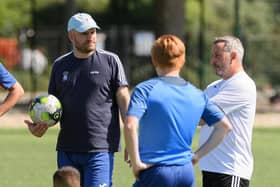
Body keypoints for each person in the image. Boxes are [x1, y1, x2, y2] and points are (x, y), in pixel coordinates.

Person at [24, 12, 130, 187]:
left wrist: (130, 135)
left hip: (100, 149)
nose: (90, 37)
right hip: (67, 149)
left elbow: (123, 98)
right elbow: (52, 107)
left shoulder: (111, 61)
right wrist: (40, 127)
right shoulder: (59, 65)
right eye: (84, 33)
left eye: (93, 32)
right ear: (71, 35)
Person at [124, 34, 232, 187]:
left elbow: (130, 126)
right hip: (185, 172)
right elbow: (224, 127)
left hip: (155, 170)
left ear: (154, 59)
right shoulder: (197, 94)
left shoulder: (145, 89)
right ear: (183, 60)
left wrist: (136, 163)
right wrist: (196, 156)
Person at [198, 36, 257, 187]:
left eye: (217, 55)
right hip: (211, 169)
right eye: (212, 56)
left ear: (233, 56)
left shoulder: (242, 84)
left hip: (230, 171)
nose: (212, 61)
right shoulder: (213, 86)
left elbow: (201, 117)